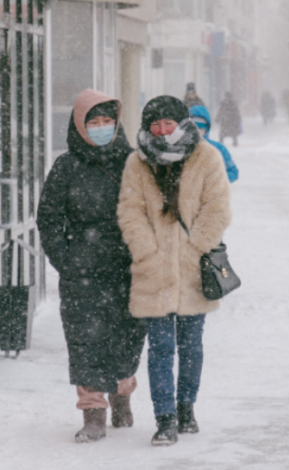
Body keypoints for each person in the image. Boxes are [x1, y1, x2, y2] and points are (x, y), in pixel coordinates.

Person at [117, 95, 231, 446]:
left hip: (195, 268)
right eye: (156, 124)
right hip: (153, 270)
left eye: (169, 123)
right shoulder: (138, 163)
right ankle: (164, 417)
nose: (163, 130)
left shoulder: (207, 157)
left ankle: (186, 408)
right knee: (161, 347)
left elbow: (218, 207)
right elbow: (130, 210)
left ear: (181, 124)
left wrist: (196, 246)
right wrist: (147, 251)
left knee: (192, 345)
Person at [36, 89, 146, 443]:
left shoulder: (135, 163)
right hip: (83, 273)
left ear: (117, 124)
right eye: (93, 122)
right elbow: (49, 218)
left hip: (130, 270)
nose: (101, 128)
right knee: (86, 340)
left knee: (128, 338)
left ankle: (122, 392)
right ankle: (93, 412)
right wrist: (67, 261)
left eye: (106, 122)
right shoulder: (66, 167)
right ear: (80, 127)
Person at [189, 104, 239, 183]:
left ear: (206, 129)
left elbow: (233, 172)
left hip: (213, 193)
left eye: (201, 129)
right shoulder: (182, 148)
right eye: (194, 129)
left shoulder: (218, 148)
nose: (197, 132)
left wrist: (216, 180)